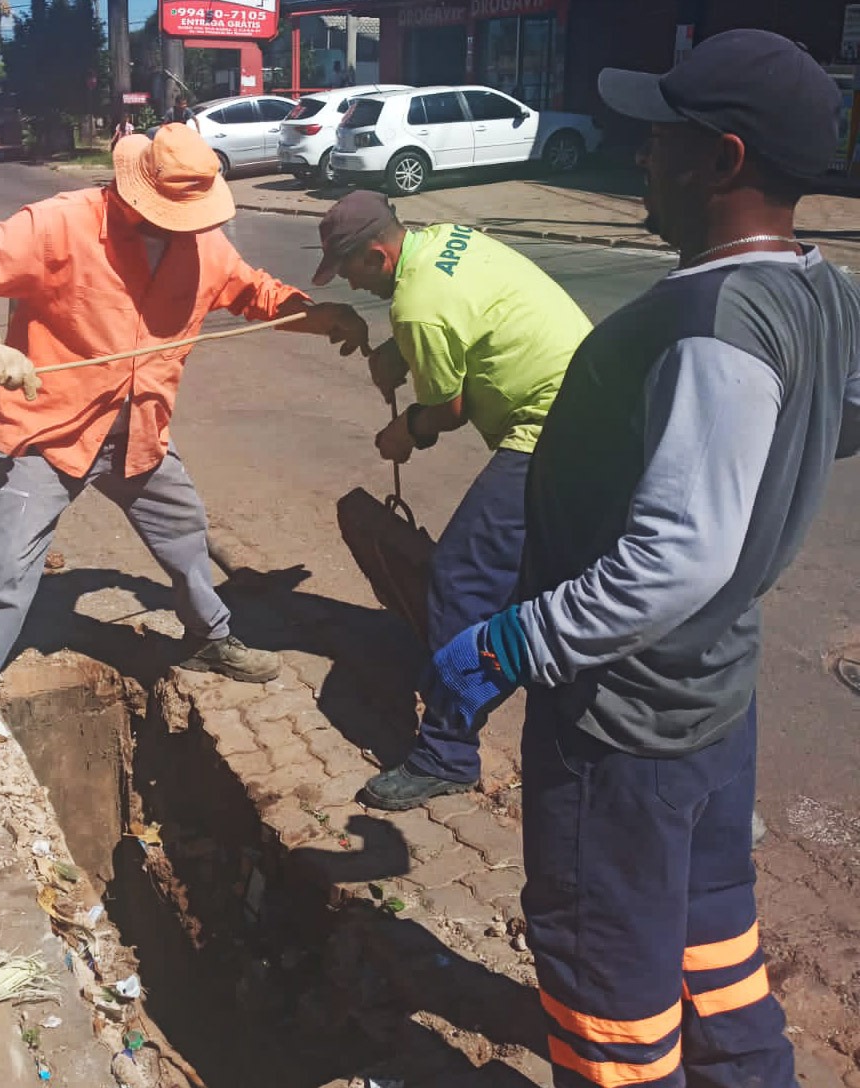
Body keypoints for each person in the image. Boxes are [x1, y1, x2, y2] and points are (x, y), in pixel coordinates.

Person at [423, 30, 860, 1087]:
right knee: (712, 934)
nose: (640, 162)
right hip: (713, 692)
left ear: (724, 160)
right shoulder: (822, 288)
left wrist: (516, 640)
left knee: (606, 981)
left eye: (661, 143)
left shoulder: (707, 320)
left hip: (620, 721)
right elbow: (831, 421)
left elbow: (675, 556)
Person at [0, 125, 368, 810]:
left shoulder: (204, 245)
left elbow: (256, 295)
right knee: (3, 571)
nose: (179, 228)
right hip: (53, 432)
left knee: (185, 534)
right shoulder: (61, 224)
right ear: (134, 188)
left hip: (140, 430)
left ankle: (210, 637)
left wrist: (316, 315)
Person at [310, 190, 592, 810]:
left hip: (551, 428)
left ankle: (446, 753)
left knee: (460, 577)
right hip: (596, 399)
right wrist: (398, 355)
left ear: (379, 257)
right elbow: (468, 315)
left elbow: (450, 409)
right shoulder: (442, 240)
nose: (353, 287)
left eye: (351, 271)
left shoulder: (416, 305)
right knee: (564, 579)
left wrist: (404, 431)